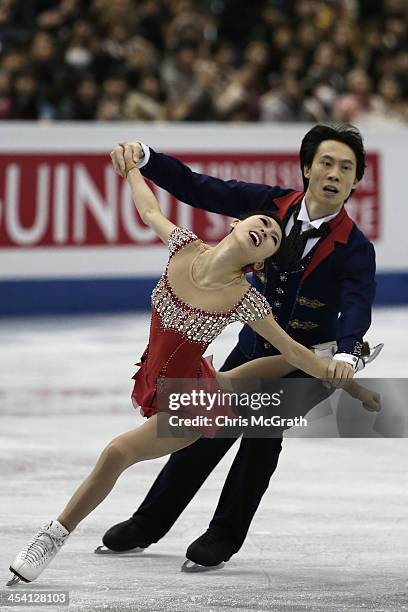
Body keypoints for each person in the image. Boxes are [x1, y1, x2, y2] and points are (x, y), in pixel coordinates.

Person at [7, 143, 355, 587]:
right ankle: (316, 361)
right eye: (263, 222)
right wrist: (132, 168)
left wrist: (330, 369)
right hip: (163, 377)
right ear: (236, 222)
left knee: (117, 452)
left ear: (261, 261)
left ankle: (49, 539)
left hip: (188, 403)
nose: (266, 230)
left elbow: (287, 346)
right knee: (229, 379)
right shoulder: (183, 246)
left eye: (271, 238)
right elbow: (150, 208)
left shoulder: (245, 299)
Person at [98, 123, 377, 570]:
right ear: (307, 168)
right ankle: (149, 522)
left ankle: (223, 534)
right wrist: (145, 158)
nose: (334, 173)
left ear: (356, 180)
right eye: (326, 162)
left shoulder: (355, 248)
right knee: (199, 431)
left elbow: (357, 304)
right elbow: (199, 187)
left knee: (260, 441)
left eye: (346, 167)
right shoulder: (268, 206)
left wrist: (346, 352)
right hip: (251, 347)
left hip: (300, 362)